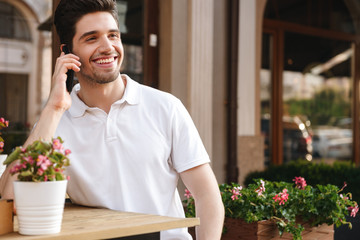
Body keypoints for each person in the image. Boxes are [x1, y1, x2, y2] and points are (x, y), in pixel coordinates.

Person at [0, 0, 224, 239]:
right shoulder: (55, 121)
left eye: (113, 35)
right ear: (67, 53)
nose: (108, 47)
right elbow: (10, 195)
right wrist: (54, 108)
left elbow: (206, 195)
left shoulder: (165, 107)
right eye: (91, 38)